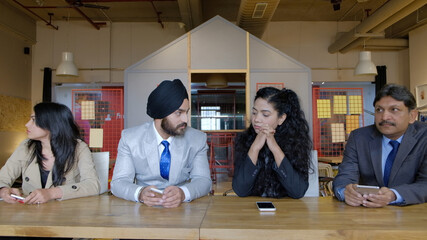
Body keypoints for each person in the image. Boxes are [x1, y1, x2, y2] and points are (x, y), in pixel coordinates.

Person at [111, 79, 211, 208]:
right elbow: (119, 182)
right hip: (143, 211)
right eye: (179, 113)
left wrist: (183, 193)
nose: (185, 119)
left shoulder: (197, 139)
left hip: (182, 210)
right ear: (160, 113)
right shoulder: (130, 139)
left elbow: (203, 180)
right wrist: (140, 193)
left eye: (186, 112)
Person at [333, 84, 427, 207]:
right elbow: (345, 176)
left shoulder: (424, 137)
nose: (384, 117)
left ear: (412, 116)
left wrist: (394, 195)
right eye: (379, 110)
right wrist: (346, 192)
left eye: (394, 110)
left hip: (415, 214)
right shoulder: (359, 137)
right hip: (366, 214)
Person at [0, 102, 100, 204]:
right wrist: (3, 190)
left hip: (67, 213)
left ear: (52, 124)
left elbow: (92, 185)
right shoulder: (26, 146)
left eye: (34, 120)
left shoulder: (79, 148)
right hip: (30, 213)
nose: (27, 124)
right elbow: (3, 177)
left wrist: (52, 193)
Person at [232, 87, 312, 198]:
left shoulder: (296, 142)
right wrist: (254, 148)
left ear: (281, 118)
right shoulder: (244, 139)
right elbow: (240, 190)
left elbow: (298, 191)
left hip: (286, 212)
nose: (256, 119)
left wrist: (275, 148)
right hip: (251, 210)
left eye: (265, 114)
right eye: (254, 113)